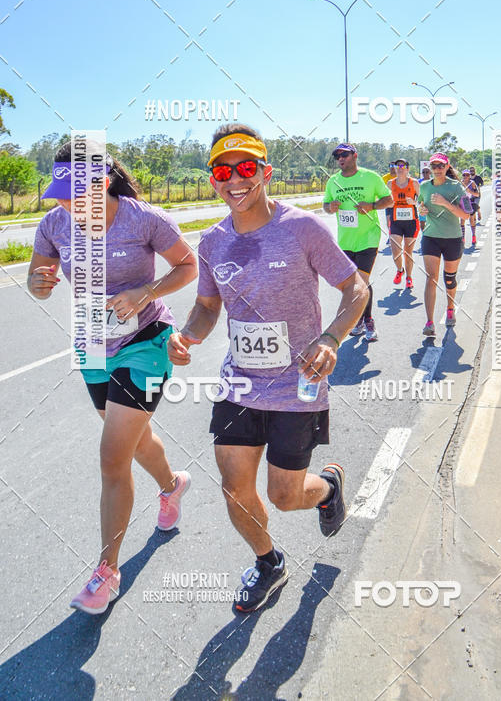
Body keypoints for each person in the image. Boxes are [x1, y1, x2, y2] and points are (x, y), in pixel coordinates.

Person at [168, 125, 368, 614]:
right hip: (238, 383)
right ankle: (268, 563)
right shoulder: (212, 241)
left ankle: (328, 488)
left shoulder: (302, 228)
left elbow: (356, 288)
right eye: (223, 170)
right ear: (212, 179)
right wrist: (189, 334)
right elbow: (208, 307)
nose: (234, 179)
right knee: (235, 492)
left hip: (297, 387)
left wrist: (331, 338)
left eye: (246, 168)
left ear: (265, 172)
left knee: (283, 496)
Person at [28, 142, 198, 614]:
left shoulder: (144, 219)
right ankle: (173, 485)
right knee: (131, 438)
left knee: (110, 456)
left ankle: (107, 571)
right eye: (58, 195)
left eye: (73, 195)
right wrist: (37, 283)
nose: (64, 205)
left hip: (146, 340)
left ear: (102, 184)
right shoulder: (55, 223)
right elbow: (37, 273)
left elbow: (188, 265)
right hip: (91, 342)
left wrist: (147, 290)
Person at [323, 143, 392, 342]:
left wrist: (371, 205)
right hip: (345, 240)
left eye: (344, 154)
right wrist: (331, 207)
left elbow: (389, 200)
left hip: (368, 237)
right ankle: (360, 319)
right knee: (351, 284)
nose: (340, 159)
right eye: (337, 156)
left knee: (361, 281)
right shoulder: (333, 182)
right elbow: (325, 205)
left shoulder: (370, 177)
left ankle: (368, 320)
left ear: (354, 155)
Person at [418, 153, 471, 336]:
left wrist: (445, 203)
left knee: (449, 279)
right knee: (431, 278)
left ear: (447, 167)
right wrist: (422, 210)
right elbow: (421, 206)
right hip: (431, 236)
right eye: (434, 166)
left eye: (441, 165)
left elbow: (466, 215)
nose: (438, 169)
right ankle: (429, 322)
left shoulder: (457, 187)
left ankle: (450, 308)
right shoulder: (424, 186)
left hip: (452, 238)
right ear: (430, 168)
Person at [389, 159, 420, 289]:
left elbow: (422, 200)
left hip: (411, 221)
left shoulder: (414, 183)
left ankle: (409, 277)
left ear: (407, 169)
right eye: (397, 165)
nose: (400, 168)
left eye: (403, 166)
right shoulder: (390, 183)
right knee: (395, 250)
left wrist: (414, 202)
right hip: (396, 220)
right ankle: (399, 270)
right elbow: (387, 202)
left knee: (408, 252)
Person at [461, 169, 480, 246]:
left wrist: (470, 191)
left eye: (467, 175)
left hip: (470, 202)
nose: (466, 176)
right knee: (462, 222)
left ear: (469, 176)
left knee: (471, 221)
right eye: (464, 175)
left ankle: (473, 236)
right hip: (462, 202)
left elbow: (477, 194)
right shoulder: (460, 183)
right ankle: (462, 239)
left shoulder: (472, 183)